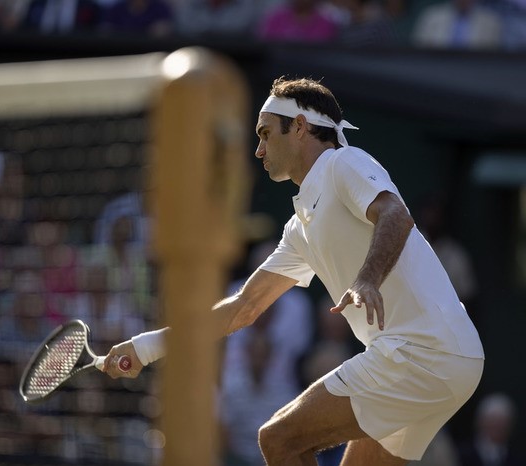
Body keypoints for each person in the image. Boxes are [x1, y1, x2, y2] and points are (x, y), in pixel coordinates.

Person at [101, 77, 485, 465]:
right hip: (449, 360)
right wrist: (147, 347)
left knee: (280, 439)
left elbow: (395, 214)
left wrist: (367, 278)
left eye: (266, 134)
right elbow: (243, 307)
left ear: (299, 127)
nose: (258, 149)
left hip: (422, 354)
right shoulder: (300, 228)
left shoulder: (343, 163)